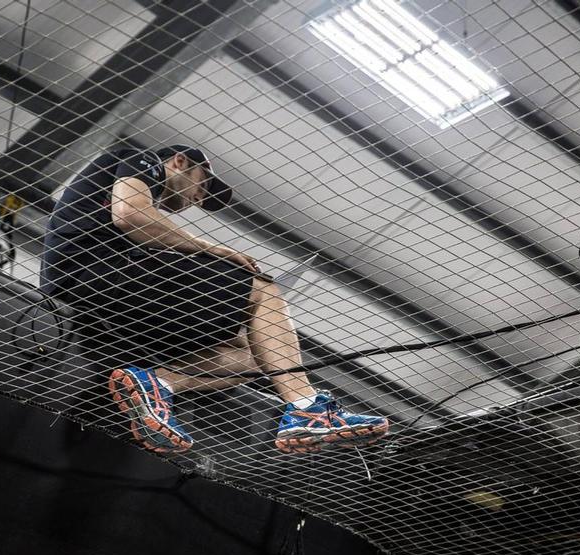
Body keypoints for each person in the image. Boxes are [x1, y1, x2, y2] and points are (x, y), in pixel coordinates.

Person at [39, 145, 388, 454]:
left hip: (113, 297)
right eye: (202, 185)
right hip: (91, 268)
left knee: (253, 358)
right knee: (262, 287)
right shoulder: (137, 160)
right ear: (179, 162)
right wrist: (211, 249)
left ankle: (157, 384)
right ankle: (308, 407)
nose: (198, 200)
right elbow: (129, 214)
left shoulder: (152, 191)